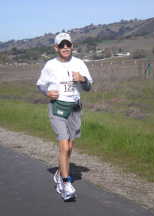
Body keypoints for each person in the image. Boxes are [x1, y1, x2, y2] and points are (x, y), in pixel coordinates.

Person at [36, 32, 93, 201]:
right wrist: (47, 92)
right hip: (57, 107)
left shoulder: (80, 63)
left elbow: (89, 87)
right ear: (56, 48)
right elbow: (40, 84)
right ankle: (66, 184)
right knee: (64, 147)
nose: (65, 47)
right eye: (61, 45)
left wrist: (82, 79)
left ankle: (60, 174)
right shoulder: (50, 65)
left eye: (68, 44)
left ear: (72, 46)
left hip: (75, 108)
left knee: (70, 147)